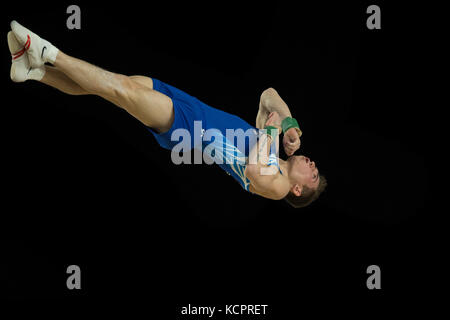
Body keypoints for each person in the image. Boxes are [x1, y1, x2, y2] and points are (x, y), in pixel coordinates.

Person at [7, 20, 327, 208]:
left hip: (186, 129)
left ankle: (47, 52)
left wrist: (271, 132)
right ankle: (34, 72)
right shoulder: (274, 147)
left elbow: (256, 173)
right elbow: (268, 96)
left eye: (313, 175)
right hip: (191, 105)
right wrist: (287, 124)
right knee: (106, 87)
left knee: (119, 89)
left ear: (298, 190)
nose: (312, 165)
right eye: (315, 166)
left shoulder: (280, 186)